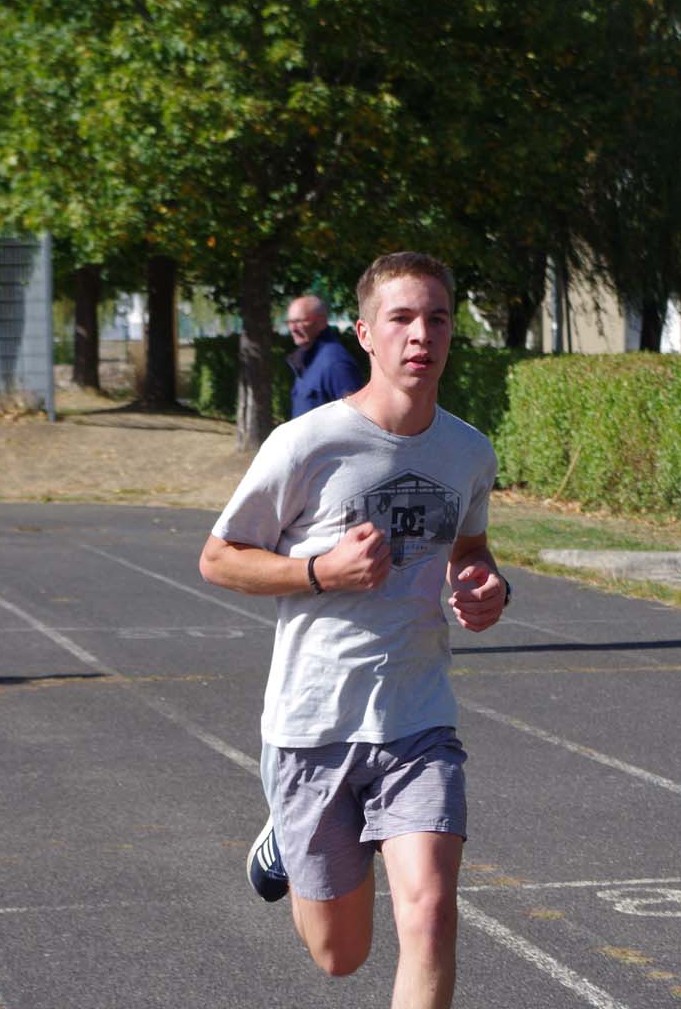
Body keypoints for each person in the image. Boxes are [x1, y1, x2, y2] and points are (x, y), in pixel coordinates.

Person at [199, 252, 509, 1009]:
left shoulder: (467, 452)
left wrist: (484, 586)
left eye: (436, 318)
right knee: (341, 956)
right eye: (401, 318)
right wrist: (319, 573)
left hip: (417, 717)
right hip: (313, 723)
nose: (420, 335)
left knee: (431, 914)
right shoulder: (306, 444)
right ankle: (282, 837)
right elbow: (218, 559)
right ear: (365, 334)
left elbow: (468, 549)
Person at [285, 294, 364, 417]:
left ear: (321, 321)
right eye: (289, 322)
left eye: (299, 321)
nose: (292, 328)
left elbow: (356, 419)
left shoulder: (336, 363)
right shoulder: (306, 361)